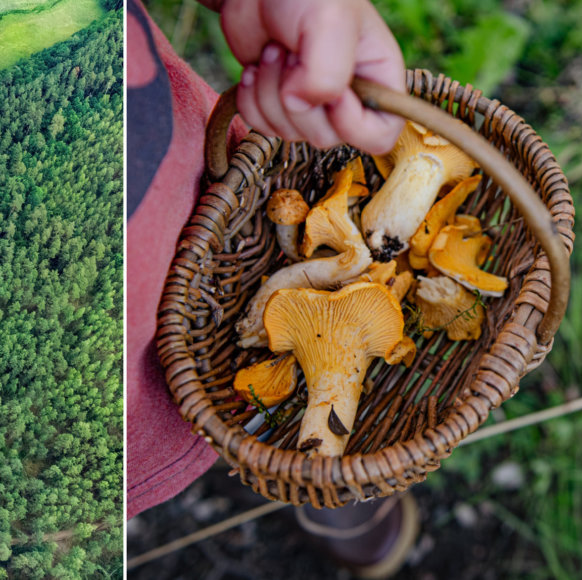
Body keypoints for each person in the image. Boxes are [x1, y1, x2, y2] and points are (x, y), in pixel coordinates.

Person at [126, 0, 418, 576]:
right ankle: (304, 465)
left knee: (272, 408)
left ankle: (330, 479)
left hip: (178, 177)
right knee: (192, 406)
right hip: (92, 371)